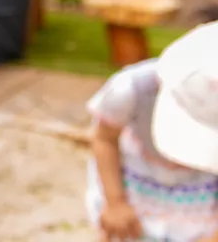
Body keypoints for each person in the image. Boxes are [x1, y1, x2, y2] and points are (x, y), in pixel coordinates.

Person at [87, 21, 218, 242]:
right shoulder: (130, 88)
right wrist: (115, 202)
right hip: (138, 194)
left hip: (200, 206)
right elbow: (104, 138)